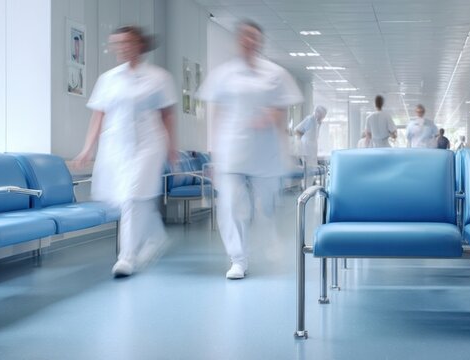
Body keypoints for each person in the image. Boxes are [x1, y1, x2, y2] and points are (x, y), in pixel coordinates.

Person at [198, 20, 303, 279]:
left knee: (266, 205)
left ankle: (269, 233)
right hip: (233, 150)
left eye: (254, 37)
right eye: (245, 37)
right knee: (231, 205)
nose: (249, 41)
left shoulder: (275, 74)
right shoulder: (224, 75)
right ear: (238, 40)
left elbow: (283, 111)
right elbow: (218, 114)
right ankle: (238, 259)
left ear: (260, 42)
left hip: (265, 152)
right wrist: (214, 154)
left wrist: (272, 122)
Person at [73, 25, 176, 278]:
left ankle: (126, 258)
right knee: (127, 198)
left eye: (126, 42)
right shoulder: (108, 79)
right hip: (116, 146)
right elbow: (98, 115)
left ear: (140, 45)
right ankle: (155, 237)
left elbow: (167, 115)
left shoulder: (158, 77)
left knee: (131, 197)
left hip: (148, 145)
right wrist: (87, 148)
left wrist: (172, 147)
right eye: (116, 43)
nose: (121, 48)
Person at [294, 105, 327, 187]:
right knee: (308, 171)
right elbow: (297, 130)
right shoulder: (310, 119)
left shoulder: (317, 122)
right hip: (307, 150)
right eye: (323, 115)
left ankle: (308, 188)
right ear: (318, 113)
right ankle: (305, 189)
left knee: (311, 171)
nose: (323, 117)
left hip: (312, 150)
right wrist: (301, 143)